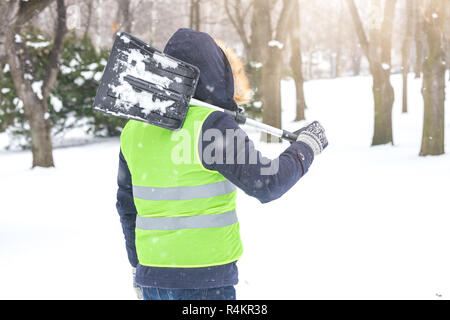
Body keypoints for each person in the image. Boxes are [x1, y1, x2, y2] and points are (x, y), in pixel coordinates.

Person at [116, 28, 328, 301]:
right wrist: (306, 147)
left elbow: (127, 207)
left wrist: (137, 266)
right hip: (205, 281)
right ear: (217, 72)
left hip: (153, 279)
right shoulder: (211, 125)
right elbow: (267, 183)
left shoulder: (134, 130)